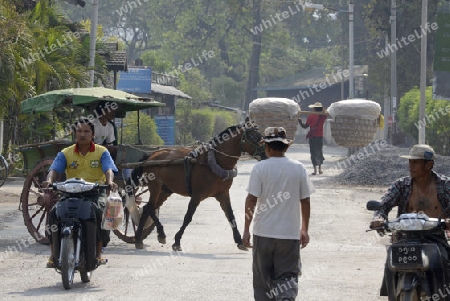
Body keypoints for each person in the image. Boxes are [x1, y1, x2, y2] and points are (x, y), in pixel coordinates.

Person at [369, 144, 450, 296]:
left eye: (416, 162)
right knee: (390, 265)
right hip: (405, 238)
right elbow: (384, 204)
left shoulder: (445, 185)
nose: (410, 165)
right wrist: (379, 218)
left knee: (444, 265)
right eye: (410, 162)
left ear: (429, 165)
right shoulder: (401, 184)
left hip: (435, 239)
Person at [242, 127, 313, 301]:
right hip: (289, 235)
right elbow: (305, 201)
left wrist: (246, 230)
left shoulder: (260, 168)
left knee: (262, 281)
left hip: (263, 234)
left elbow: (251, 199)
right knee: (287, 277)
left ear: (266, 147)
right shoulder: (299, 168)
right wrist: (304, 229)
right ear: (286, 147)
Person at [43, 118, 118, 268]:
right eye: (79, 131)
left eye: (86, 131)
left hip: (95, 193)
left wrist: (109, 182)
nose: (82, 134)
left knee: (101, 212)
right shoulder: (66, 153)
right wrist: (49, 181)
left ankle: (98, 254)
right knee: (53, 215)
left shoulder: (102, 151)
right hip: (71, 193)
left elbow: (108, 169)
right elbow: (54, 170)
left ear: (93, 134)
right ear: (74, 134)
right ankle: (53, 255)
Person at [298, 102, 328, 175]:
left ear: (314, 108)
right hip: (320, 136)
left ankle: (315, 170)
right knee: (319, 151)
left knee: (313, 152)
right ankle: (320, 169)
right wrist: (322, 109)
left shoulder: (311, 116)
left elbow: (305, 126)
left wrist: (300, 121)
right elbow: (326, 112)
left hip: (313, 137)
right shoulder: (323, 116)